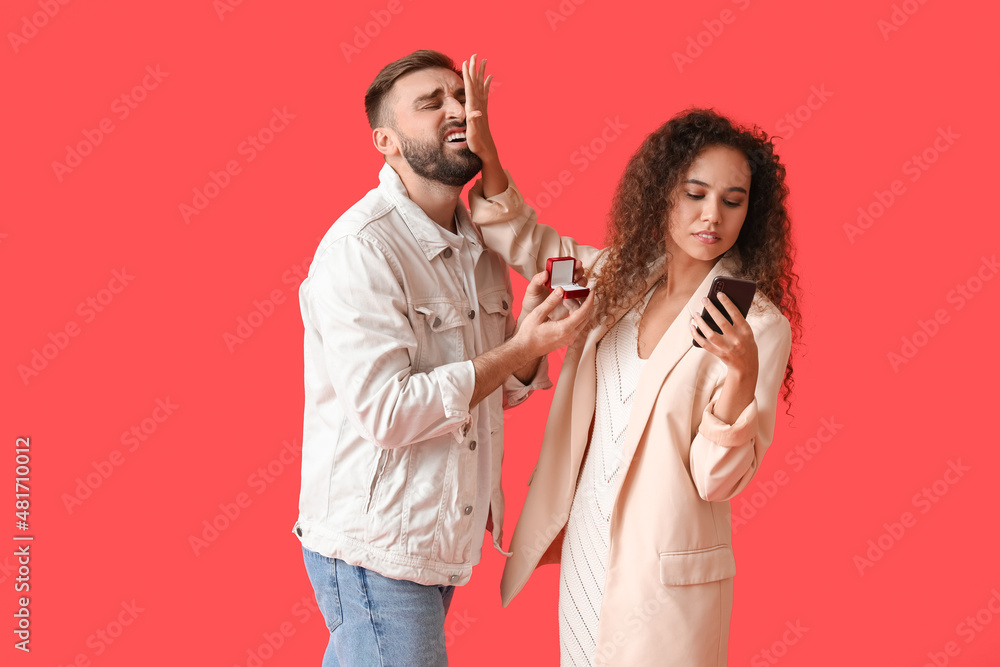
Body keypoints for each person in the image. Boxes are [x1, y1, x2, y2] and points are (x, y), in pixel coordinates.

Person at [292, 50, 594, 667]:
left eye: (462, 97)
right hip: (374, 546)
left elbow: (488, 398)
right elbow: (391, 414)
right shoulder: (361, 249)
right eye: (431, 104)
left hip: (434, 536)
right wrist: (518, 347)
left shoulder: (477, 245)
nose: (458, 111)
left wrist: (527, 340)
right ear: (387, 141)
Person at [469, 107, 802, 666]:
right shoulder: (617, 280)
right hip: (586, 550)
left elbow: (716, 481)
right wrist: (489, 155)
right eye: (695, 194)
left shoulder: (756, 325)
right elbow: (526, 241)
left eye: (732, 200)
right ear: (663, 194)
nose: (711, 216)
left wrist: (742, 374)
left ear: (751, 210)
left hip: (664, 578)